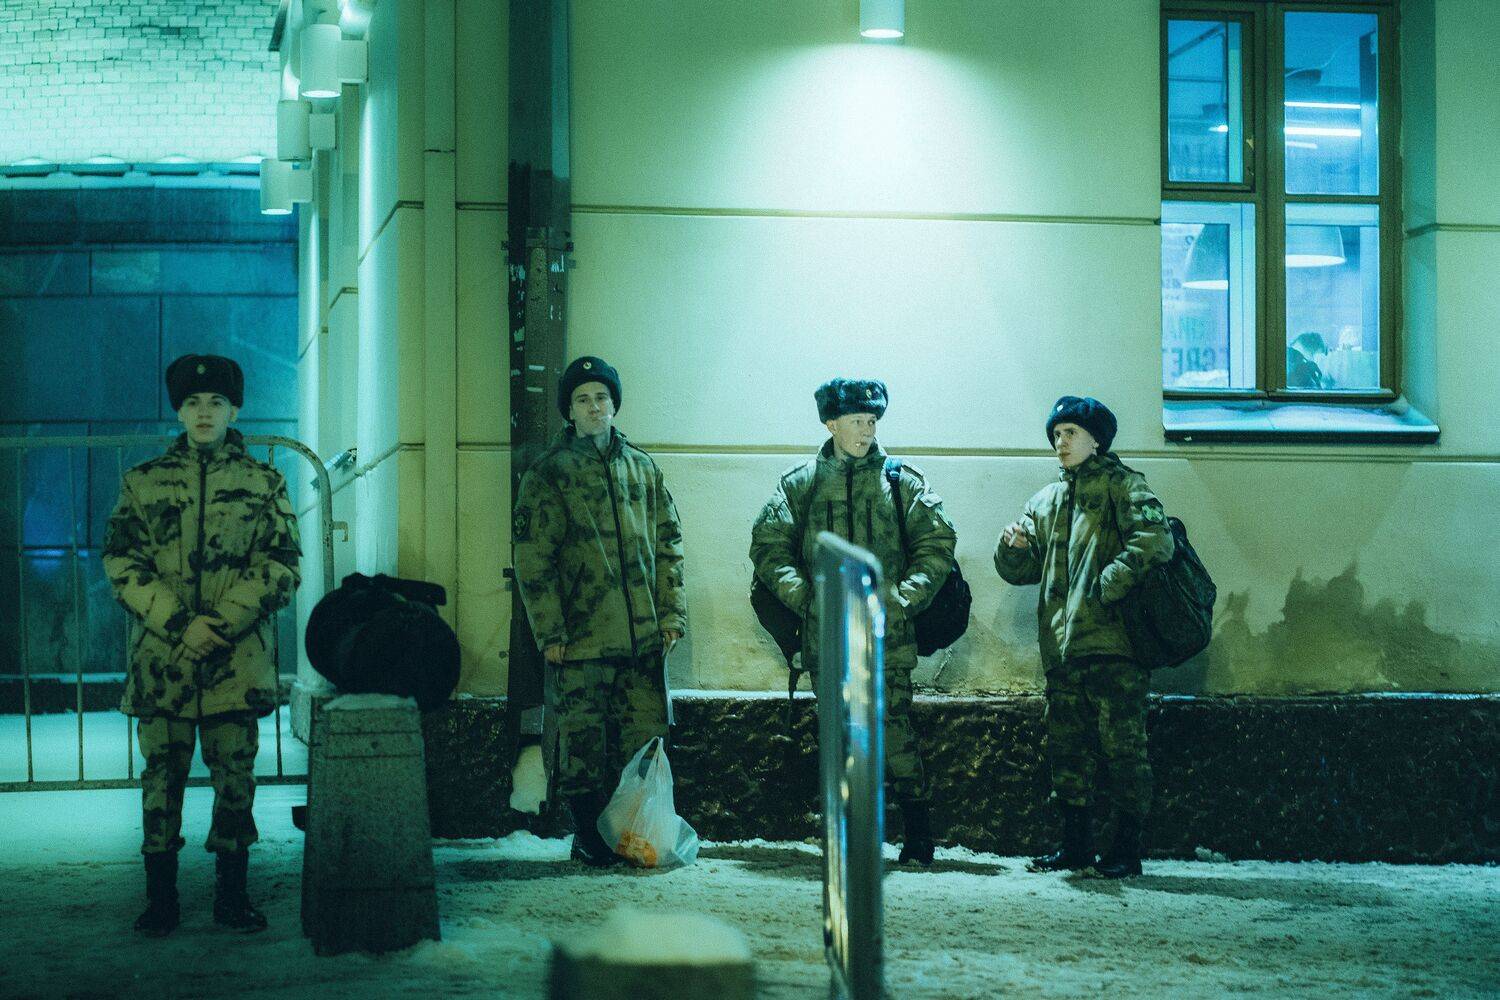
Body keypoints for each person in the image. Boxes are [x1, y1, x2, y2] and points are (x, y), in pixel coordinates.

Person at [103, 354, 300, 935]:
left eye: (216, 402)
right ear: (179, 411)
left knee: (235, 779)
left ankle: (231, 897)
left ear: (234, 410)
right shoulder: (142, 482)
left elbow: (282, 564)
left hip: (234, 663)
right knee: (160, 781)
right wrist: (179, 624)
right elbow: (121, 561)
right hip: (163, 661)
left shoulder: (264, 483)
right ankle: (160, 900)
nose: (204, 412)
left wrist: (218, 622)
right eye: (193, 403)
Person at [750, 378, 957, 866]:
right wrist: (807, 600)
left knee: (894, 731)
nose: (867, 431)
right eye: (857, 421)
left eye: (872, 421)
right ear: (831, 424)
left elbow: (936, 545)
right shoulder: (800, 483)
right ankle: (849, 838)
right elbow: (769, 546)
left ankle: (918, 833)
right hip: (828, 636)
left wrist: (901, 600)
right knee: (839, 736)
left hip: (886, 635)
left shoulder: (901, 481)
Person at [512, 356, 687, 867]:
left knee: (643, 740)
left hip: (642, 638)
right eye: (583, 399)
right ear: (569, 410)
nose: (594, 407)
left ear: (615, 405)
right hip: (581, 639)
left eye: (602, 398)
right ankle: (589, 835)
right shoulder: (549, 474)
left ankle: (634, 833)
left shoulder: (643, 469)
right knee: (582, 744)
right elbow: (533, 560)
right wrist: (550, 632)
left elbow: (669, 545)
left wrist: (671, 616)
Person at [994, 396, 1173, 879]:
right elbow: (1022, 570)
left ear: (1096, 440)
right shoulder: (1045, 501)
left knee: (1123, 748)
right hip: (1063, 647)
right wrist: (1013, 548)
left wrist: (1109, 583)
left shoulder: (1125, 486)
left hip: (1115, 647)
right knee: (1067, 751)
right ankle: (1075, 847)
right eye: (1057, 435)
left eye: (1070, 433)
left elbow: (1156, 541)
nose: (1061, 443)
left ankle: (1125, 850)